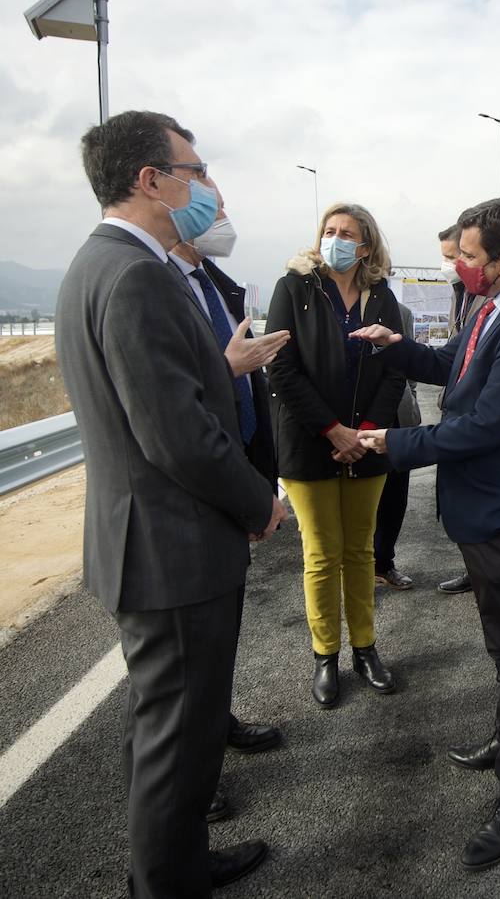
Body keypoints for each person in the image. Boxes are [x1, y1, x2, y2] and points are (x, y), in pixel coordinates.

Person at [56, 109, 283, 895]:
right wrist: (261, 503)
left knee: (170, 730)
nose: (204, 185)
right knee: (177, 740)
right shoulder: (138, 275)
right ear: (150, 179)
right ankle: (166, 882)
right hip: (173, 548)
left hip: (145, 541)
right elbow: (177, 436)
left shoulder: (98, 264)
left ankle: (176, 861)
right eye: (193, 170)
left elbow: (157, 401)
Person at [353, 198, 500, 871]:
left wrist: (391, 443)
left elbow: (484, 425)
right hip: (480, 509)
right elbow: (456, 365)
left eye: (470, 257)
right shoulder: (490, 305)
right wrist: (400, 350)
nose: (461, 266)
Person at [169, 204, 289, 821]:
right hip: (192, 493)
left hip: (233, 468)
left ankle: (215, 726)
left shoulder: (211, 282)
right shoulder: (150, 281)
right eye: (207, 202)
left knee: (219, 639)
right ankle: (189, 781)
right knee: (180, 670)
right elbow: (175, 406)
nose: (219, 218)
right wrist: (227, 368)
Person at [266, 202, 406, 708]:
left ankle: (365, 648)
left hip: (366, 444)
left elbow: (394, 370)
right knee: (321, 554)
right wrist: (333, 431)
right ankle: (325, 655)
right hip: (309, 441)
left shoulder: (383, 297)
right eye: (329, 231)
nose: (336, 239)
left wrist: (363, 432)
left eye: (347, 233)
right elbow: (280, 368)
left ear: (365, 245)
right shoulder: (295, 289)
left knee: (360, 551)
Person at [372, 302, 422, 590]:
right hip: (354, 421)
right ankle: (354, 570)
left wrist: (411, 396)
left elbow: (409, 365)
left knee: (394, 497)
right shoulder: (331, 303)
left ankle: (383, 563)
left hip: (396, 418)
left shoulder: (400, 312)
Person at [436, 224, 474, 596]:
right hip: (455, 405)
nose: (448, 264)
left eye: (453, 256)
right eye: (445, 257)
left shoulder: (480, 296)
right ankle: (472, 568)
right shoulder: (458, 293)